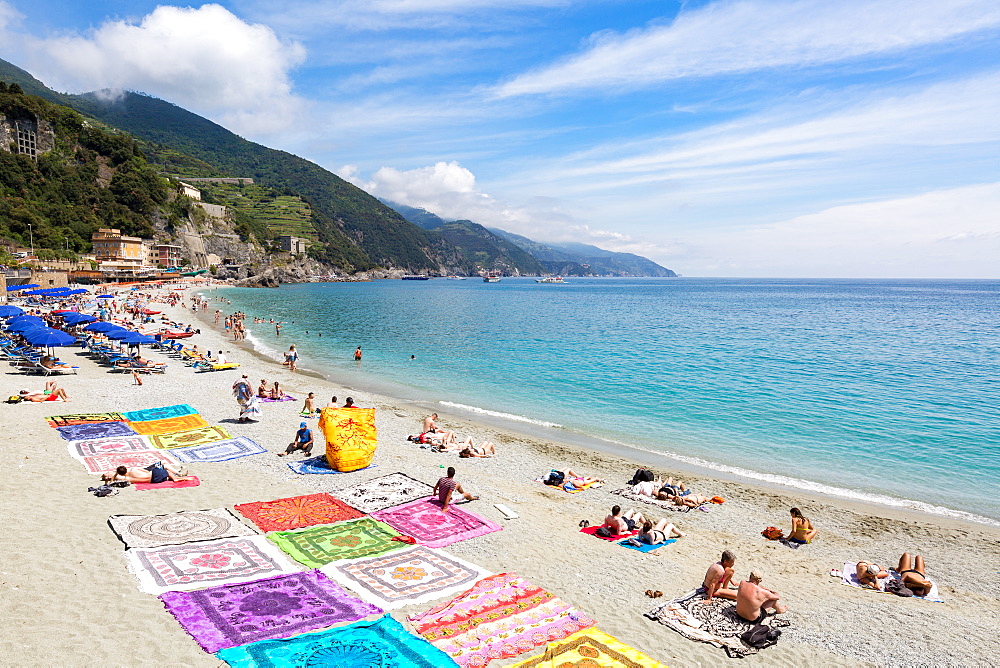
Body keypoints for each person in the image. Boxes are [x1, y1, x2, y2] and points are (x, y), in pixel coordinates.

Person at [101, 462, 193, 484]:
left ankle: (177, 475)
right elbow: (146, 471)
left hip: (153, 480)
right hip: (152, 474)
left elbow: (111, 482)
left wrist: (110, 478)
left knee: (164, 472)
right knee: (166, 470)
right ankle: (177, 477)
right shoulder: (133, 470)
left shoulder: (125, 478)